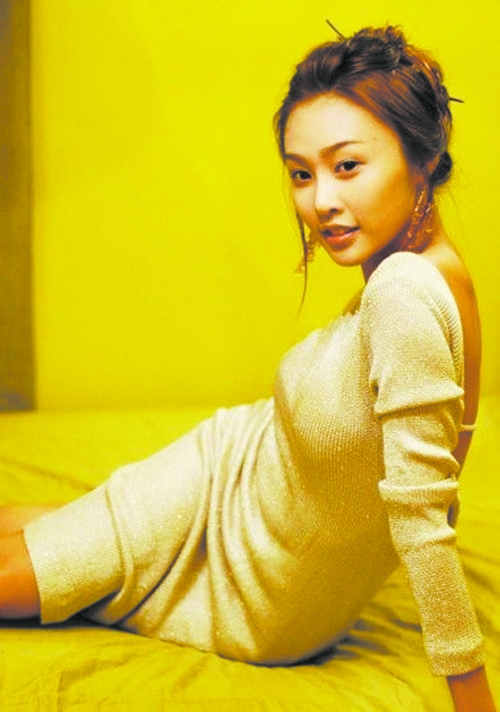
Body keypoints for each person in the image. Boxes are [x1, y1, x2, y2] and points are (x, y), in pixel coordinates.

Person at [0, 25, 496, 712]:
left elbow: (423, 516)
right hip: (226, 475)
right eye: (302, 173)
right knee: (29, 525)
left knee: (18, 571)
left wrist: (473, 698)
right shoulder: (440, 270)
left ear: (423, 155)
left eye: (347, 165)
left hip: (252, 569)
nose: (319, 201)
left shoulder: (405, 290)